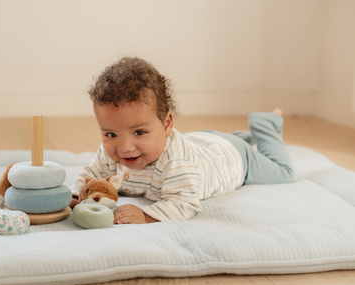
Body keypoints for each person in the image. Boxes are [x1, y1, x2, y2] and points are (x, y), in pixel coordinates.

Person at [73, 57, 294, 224]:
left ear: (167, 124)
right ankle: (241, 137)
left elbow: (184, 204)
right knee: (216, 144)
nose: (124, 147)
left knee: (283, 173)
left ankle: (265, 125)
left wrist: (145, 215)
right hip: (203, 141)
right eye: (111, 134)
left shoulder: (176, 163)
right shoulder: (110, 151)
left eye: (139, 132)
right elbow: (91, 176)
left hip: (234, 159)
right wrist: (76, 196)